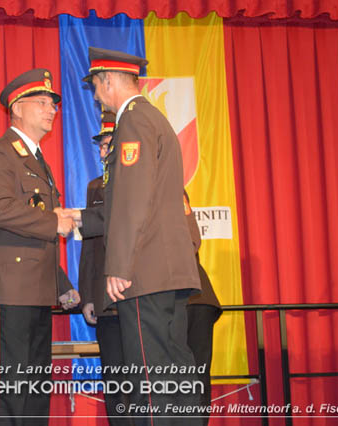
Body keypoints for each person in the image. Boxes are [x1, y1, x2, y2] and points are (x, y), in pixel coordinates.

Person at [71, 47, 202, 425]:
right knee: (175, 375)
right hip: (164, 273)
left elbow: (132, 199)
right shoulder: (152, 118)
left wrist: (119, 267)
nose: (95, 96)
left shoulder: (133, 120)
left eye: (95, 86)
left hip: (144, 275)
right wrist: (77, 217)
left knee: (153, 380)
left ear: (108, 80)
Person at [0, 68, 80, 425]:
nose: (51, 108)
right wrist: (54, 221)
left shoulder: (36, 159)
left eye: (53, 103)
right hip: (10, 290)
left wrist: (61, 284)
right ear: (17, 108)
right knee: (12, 390)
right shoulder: (1, 154)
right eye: (42, 102)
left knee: (35, 389)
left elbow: (36, 232)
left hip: (36, 290)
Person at [78, 111, 132, 426]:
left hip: (138, 297)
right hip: (107, 304)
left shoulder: (142, 181)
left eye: (110, 144)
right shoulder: (94, 187)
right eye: (101, 145)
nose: (103, 151)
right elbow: (90, 246)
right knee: (115, 382)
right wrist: (88, 296)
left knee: (143, 381)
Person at [184, 191, 222, 426]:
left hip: (193, 298)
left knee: (195, 375)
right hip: (179, 298)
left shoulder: (170, 186)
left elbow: (189, 238)